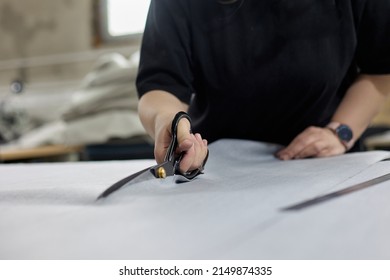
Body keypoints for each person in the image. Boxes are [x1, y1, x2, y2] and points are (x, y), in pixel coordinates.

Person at [136, 0, 390, 173]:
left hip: (326, 164)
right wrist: (168, 121)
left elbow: (380, 71)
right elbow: (161, 83)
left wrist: (340, 133)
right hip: (214, 167)